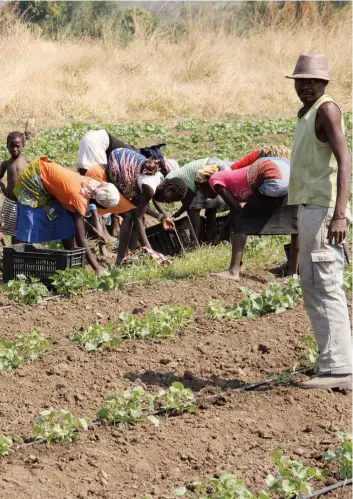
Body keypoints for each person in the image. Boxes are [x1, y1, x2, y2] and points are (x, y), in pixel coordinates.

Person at [287, 53, 352, 390]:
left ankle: (338, 368)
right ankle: (333, 361)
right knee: (315, 285)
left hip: (324, 210)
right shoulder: (308, 114)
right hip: (312, 209)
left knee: (324, 286)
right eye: (301, 81)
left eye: (312, 80)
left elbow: (345, 161)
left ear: (324, 82)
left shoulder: (327, 109)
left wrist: (340, 214)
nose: (306, 86)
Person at [13, 157, 124, 274]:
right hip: (34, 178)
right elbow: (81, 240)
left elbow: (76, 220)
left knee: (65, 222)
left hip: (45, 178)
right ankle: (15, 261)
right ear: (98, 202)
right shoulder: (81, 199)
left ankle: (71, 264)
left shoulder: (93, 187)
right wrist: (97, 268)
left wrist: (93, 230)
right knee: (30, 222)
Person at [209, 152, 298, 280]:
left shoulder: (215, 180)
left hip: (271, 175)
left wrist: (225, 228)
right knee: (294, 222)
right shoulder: (232, 175)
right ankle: (293, 271)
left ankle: (233, 271)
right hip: (291, 176)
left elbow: (236, 209)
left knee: (240, 221)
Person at [86, 148, 177, 264]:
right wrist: (153, 254)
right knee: (129, 215)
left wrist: (161, 217)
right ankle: (121, 260)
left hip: (107, 169)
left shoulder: (151, 181)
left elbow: (138, 207)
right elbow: (136, 214)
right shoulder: (148, 186)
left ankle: (129, 254)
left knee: (133, 214)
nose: (167, 202)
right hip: (98, 175)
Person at [155, 157, 230, 240]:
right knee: (211, 207)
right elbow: (188, 200)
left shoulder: (170, 182)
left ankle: (195, 240)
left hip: (207, 170)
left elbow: (189, 203)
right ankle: (208, 240)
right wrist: (178, 213)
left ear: (169, 189)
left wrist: (165, 216)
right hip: (216, 164)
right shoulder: (176, 185)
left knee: (194, 210)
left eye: (167, 199)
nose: (168, 202)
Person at [0, 131, 30, 243]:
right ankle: (15, 254)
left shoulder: (27, 161)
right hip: (11, 202)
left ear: (23, 145)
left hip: (25, 202)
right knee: (14, 231)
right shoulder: (6, 164)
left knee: (26, 229)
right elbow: (0, 177)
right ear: (7, 145)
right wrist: (3, 187)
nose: (14, 149)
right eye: (11, 146)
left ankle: (26, 252)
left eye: (17, 146)